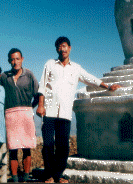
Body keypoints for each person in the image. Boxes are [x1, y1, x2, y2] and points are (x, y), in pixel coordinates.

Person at [36, 37, 121, 183]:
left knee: (63, 146)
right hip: (49, 111)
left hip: (65, 113)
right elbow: (42, 86)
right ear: (56, 49)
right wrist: (40, 105)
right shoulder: (50, 64)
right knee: (48, 144)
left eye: (64, 46)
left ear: (70, 48)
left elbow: (90, 79)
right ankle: (49, 174)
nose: (62, 49)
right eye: (59, 47)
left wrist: (107, 86)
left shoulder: (76, 68)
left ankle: (58, 175)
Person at [0, 48, 39, 183]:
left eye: (17, 58)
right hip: (10, 115)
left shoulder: (29, 75)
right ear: (9, 61)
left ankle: (26, 177)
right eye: (12, 59)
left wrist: (29, 108)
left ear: (22, 59)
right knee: (13, 148)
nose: (15, 62)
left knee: (27, 148)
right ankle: (15, 178)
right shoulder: (4, 77)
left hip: (26, 114)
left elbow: (38, 94)